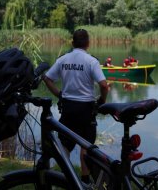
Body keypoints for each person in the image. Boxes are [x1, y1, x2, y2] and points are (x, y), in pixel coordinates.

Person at [43, 29, 109, 184]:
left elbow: (47, 79)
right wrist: (102, 101)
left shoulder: (63, 59)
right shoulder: (91, 61)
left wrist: (59, 94)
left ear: (72, 43)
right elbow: (104, 86)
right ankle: (85, 180)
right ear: (88, 43)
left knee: (65, 143)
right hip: (86, 108)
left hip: (68, 107)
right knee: (85, 144)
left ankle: (63, 176)